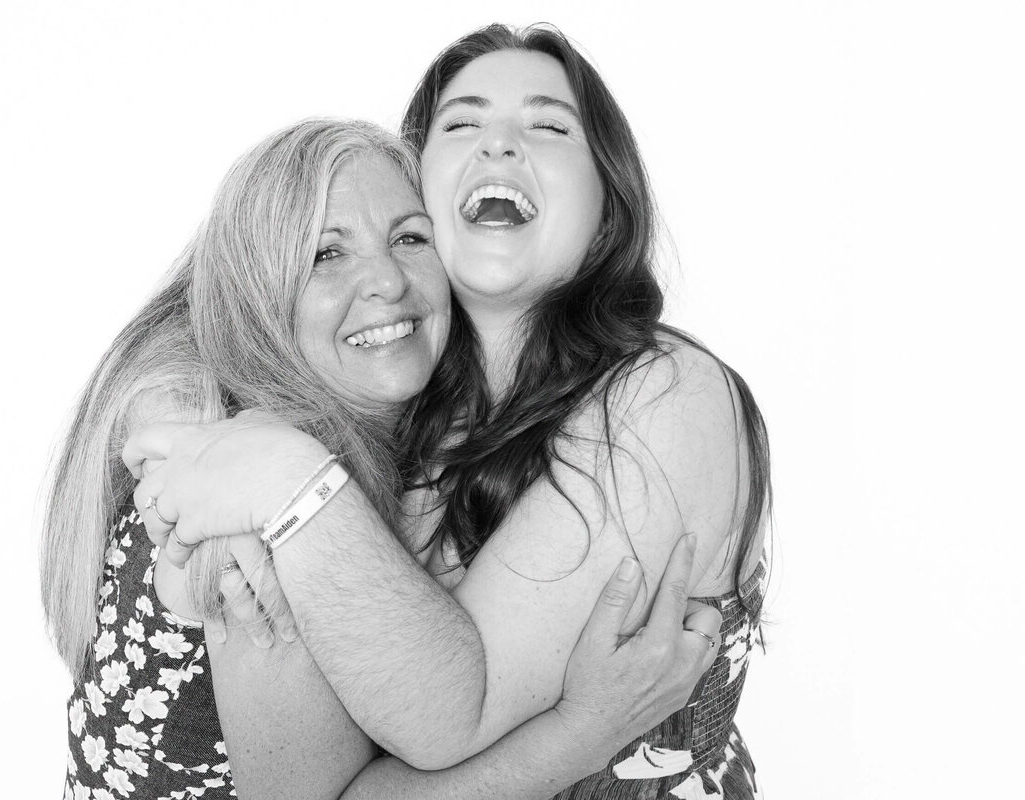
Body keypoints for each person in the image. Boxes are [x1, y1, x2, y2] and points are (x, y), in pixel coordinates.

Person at [129, 24, 771, 799]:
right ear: (420, 187)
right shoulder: (382, 410)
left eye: (549, 126)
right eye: (462, 123)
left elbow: (451, 714)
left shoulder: (671, 394)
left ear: (609, 203)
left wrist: (292, 480)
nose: (499, 143)